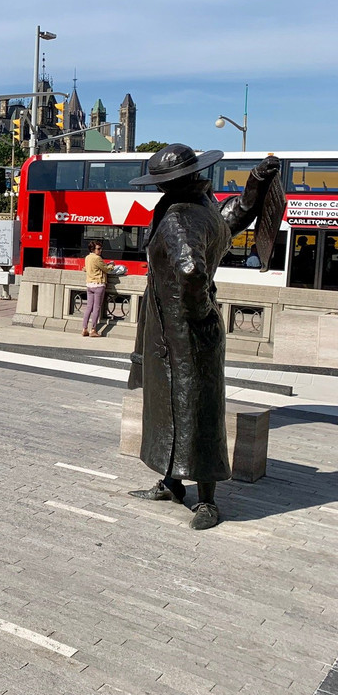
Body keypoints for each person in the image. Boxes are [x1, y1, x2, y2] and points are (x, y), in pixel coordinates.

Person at [127, 145, 282, 530]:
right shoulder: (202, 205)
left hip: (183, 333)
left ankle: (208, 500)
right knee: (172, 409)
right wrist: (256, 183)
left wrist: (197, 315)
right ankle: (171, 484)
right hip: (179, 333)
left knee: (196, 413)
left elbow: (191, 270)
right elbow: (233, 218)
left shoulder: (178, 218)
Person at [82, 240, 115, 337]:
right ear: (93, 249)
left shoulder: (87, 257)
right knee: (96, 308)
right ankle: (93, 330)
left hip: (89, 285)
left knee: (89, 307)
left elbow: (88, 268)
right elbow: (106, 269)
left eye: (101, 249)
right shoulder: (97, 258)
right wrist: (112, 265)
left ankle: (84, 329)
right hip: (98, 285)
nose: (100, 250)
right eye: (98, 249)